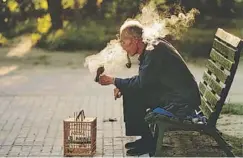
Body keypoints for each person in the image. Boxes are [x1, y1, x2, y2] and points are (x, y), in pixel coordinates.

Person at [98, 20, 201, 156]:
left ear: (135, 40)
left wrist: (114, 81)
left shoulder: (154, 50)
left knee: (134, 93)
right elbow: (146, 80)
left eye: (124, 41)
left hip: (181, 102)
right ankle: (146, 138)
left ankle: (149, 142)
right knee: (131, 90)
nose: (122, 46)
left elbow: (142, 83)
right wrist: (122, 85)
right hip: (176, 95)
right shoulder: (151, 47)